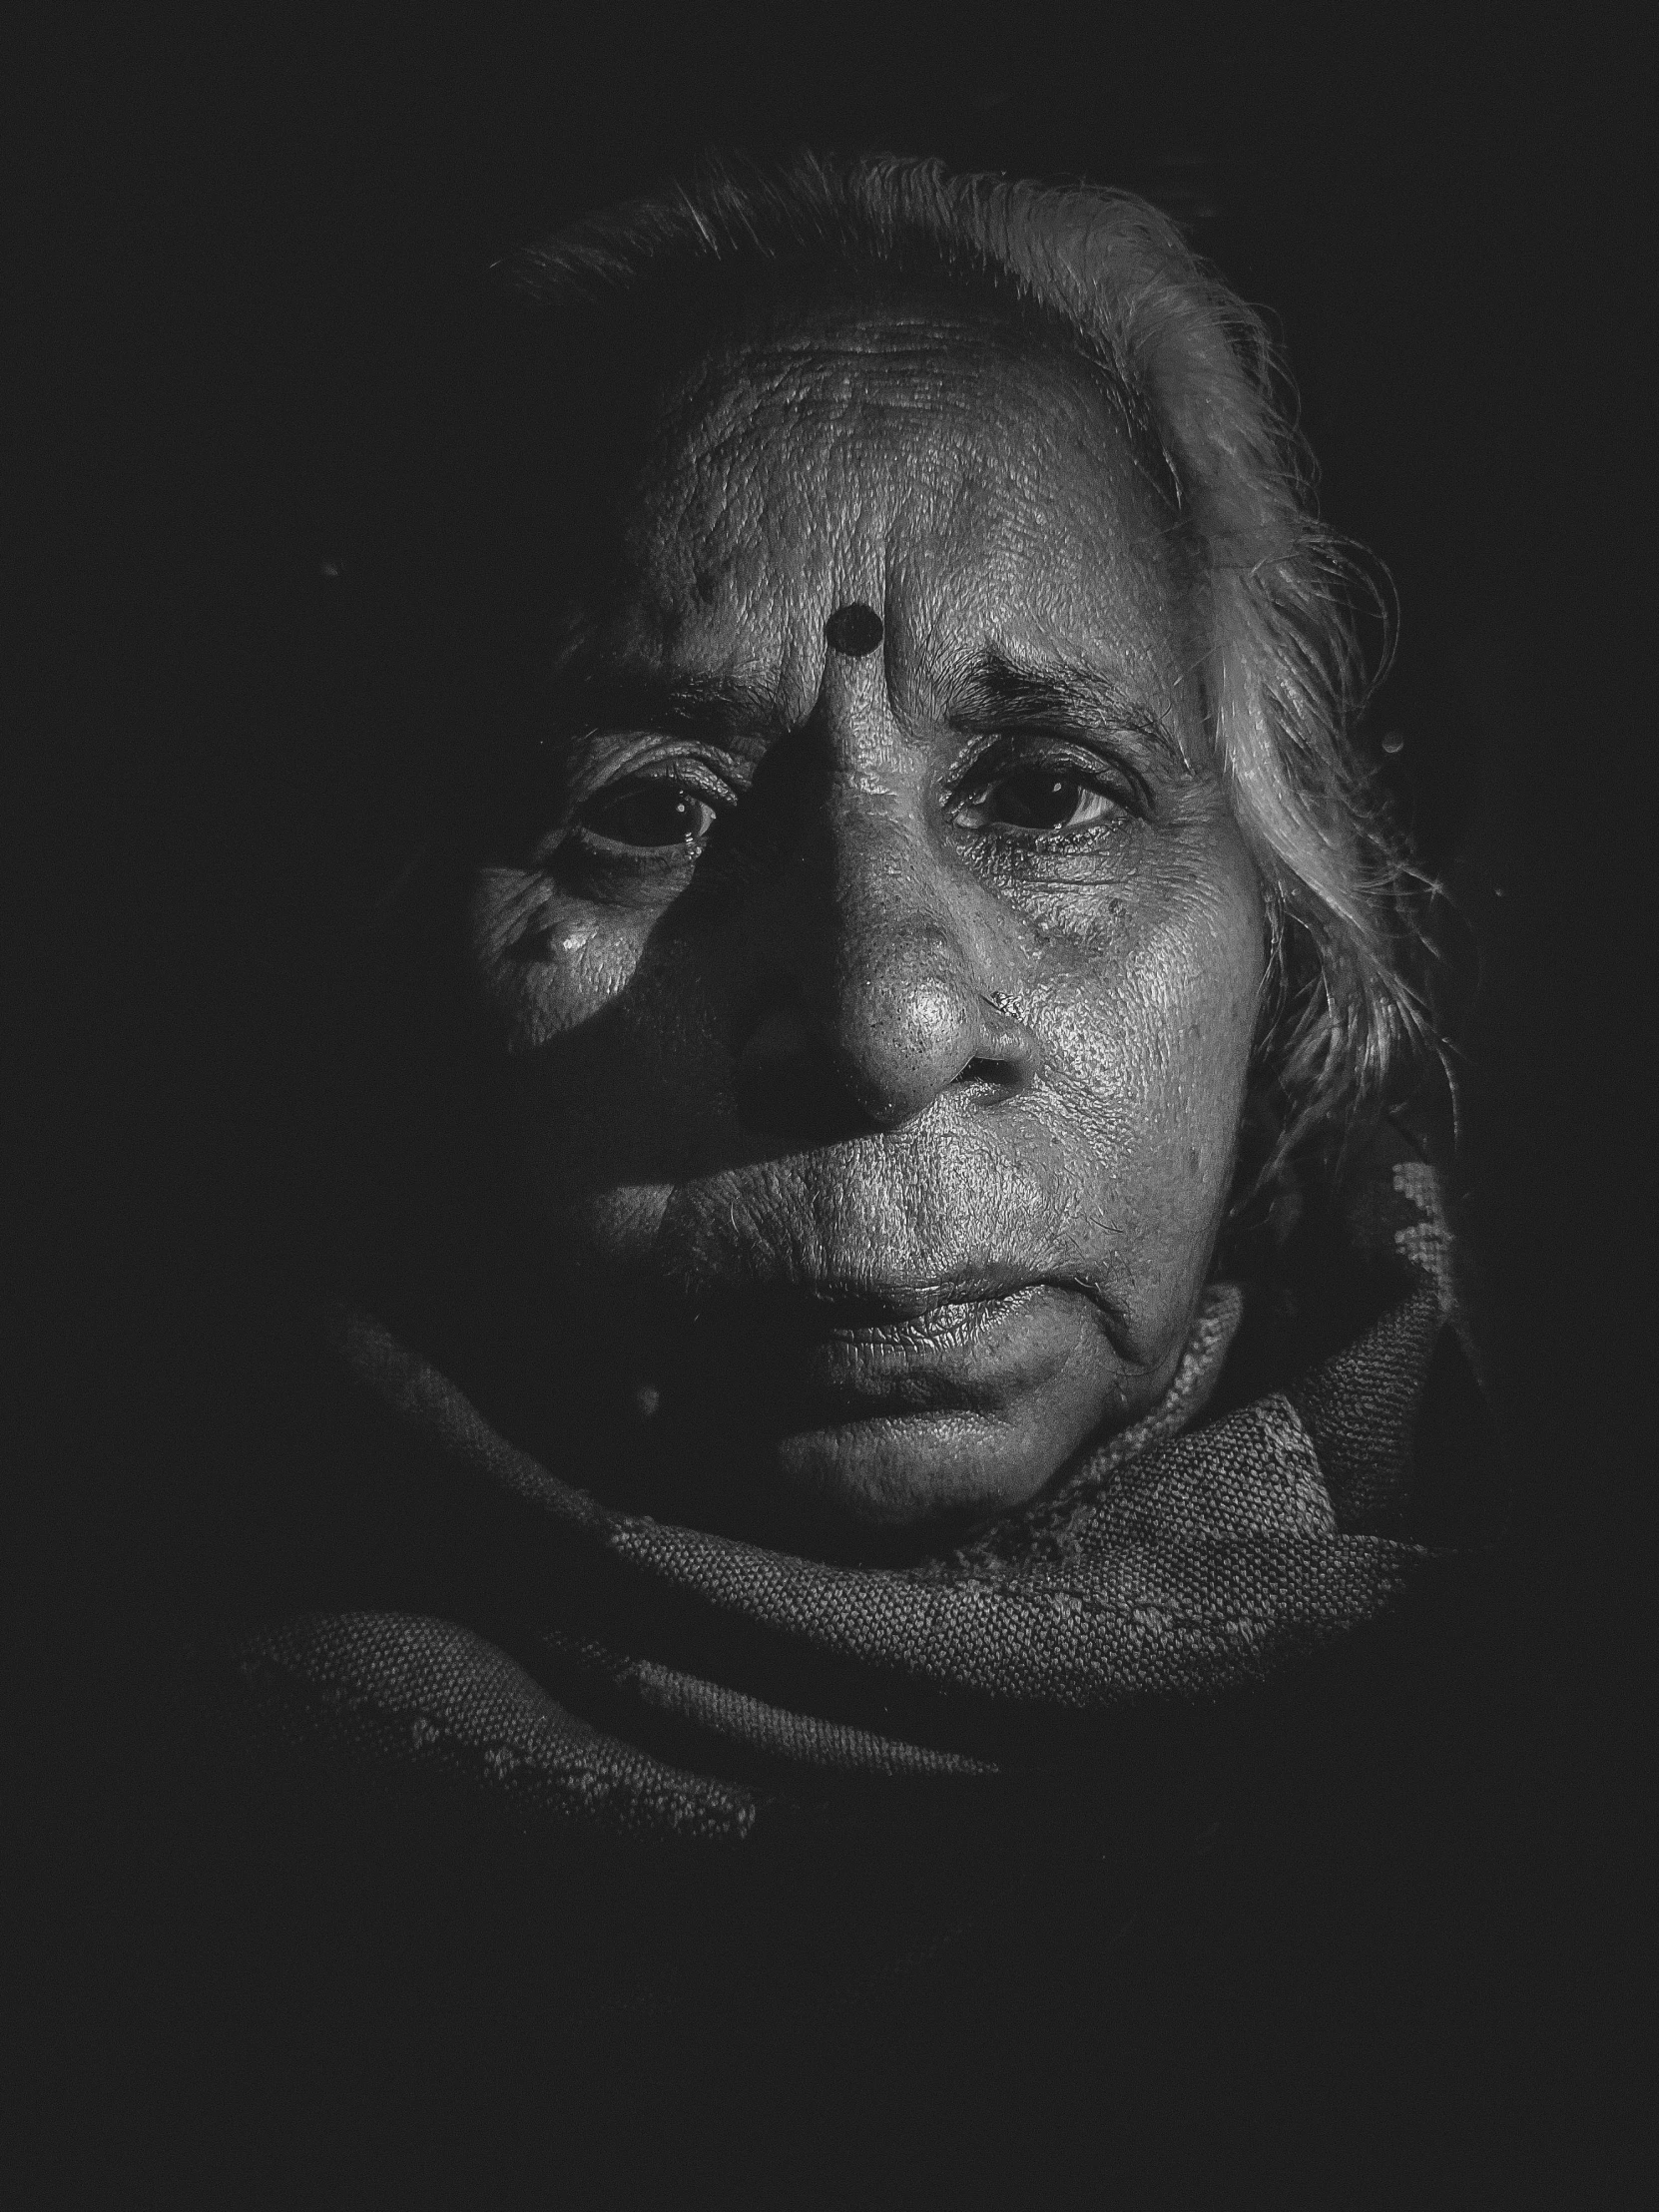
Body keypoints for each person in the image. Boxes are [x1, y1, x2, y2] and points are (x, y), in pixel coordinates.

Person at [88, 151, 1535, 2198]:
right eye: (651, 807)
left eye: (1047, 794)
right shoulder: (136, 1911)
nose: (881, 1019)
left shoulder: (1539, 1830)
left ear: (1286, 952)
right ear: (391, 971)